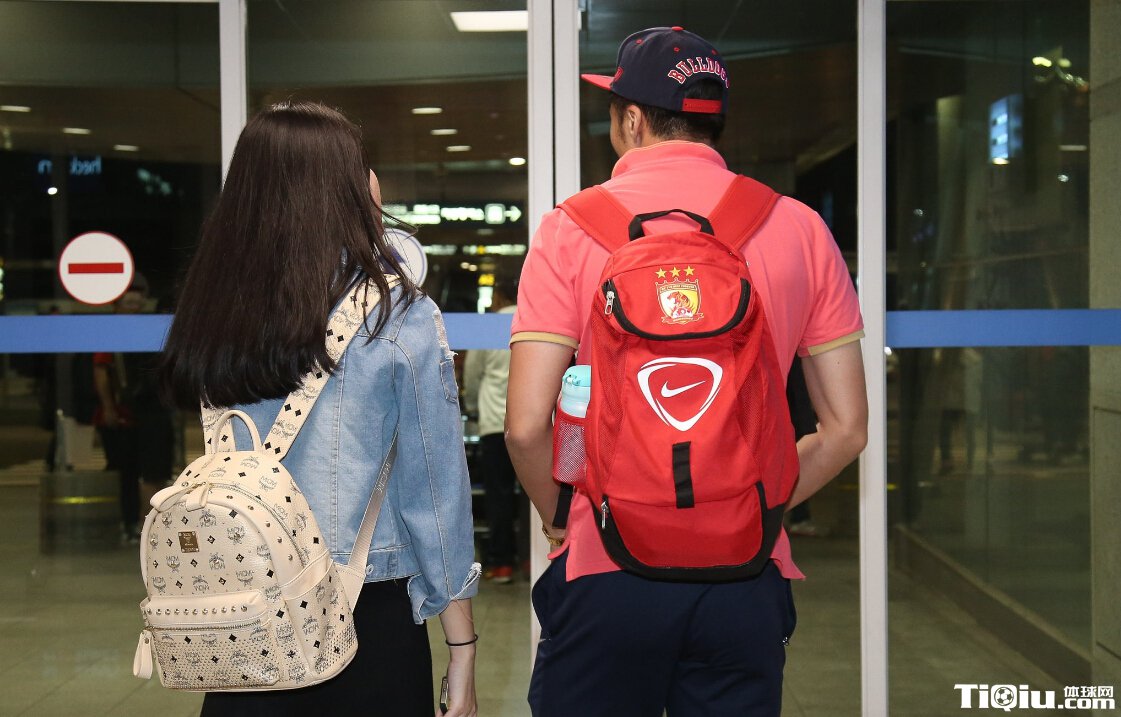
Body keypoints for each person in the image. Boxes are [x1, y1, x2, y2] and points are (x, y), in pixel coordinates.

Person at [505, 27, 868, 716]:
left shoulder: (567, 230)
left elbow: (525, 427)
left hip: (607, 566)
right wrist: (746, 503)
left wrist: (564, 518)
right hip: (745, 574)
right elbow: (846, 430)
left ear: (631, 121)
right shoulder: (796, 228)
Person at [160, 101, 479, 717]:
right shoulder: (396, 315)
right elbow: (435, 494)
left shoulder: (215, 307)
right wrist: (461, 646)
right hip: (367, 617)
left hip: (242, 619)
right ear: (343, 188)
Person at [93, 276, 175, 541]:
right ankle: (136, 524)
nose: (134, 306)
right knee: (132, 471)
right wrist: (109, 408)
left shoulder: (142, 328)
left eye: (138, 302)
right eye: (129, 302)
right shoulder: (116, 331)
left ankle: (138, 524)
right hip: (127, 412)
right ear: (117, 304)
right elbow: (101, 371)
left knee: (144, 470)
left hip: (141, 410)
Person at [462, 278, 520, 584]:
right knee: (533, 495)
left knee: (498, 494)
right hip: (533, 421)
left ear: (498, 296)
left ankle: (502, 563)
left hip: (495, 423)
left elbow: (472, 374)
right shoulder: (533, 319)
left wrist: (473, 406)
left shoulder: (490, 326)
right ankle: (533, 558)